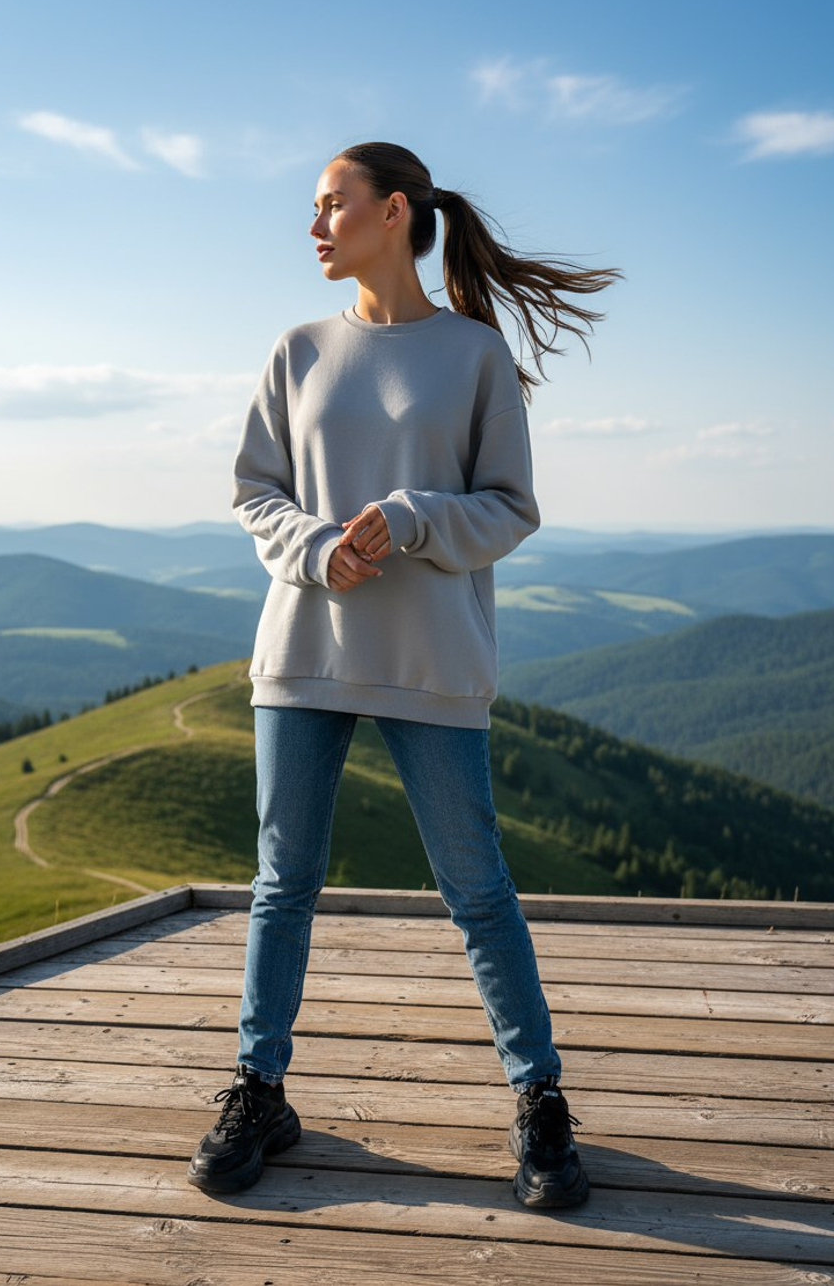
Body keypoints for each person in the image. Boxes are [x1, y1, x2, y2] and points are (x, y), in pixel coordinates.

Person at [187, 141, 620, 1210]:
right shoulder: (296, 349)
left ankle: (540, 1097)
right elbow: (253, 491)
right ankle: (260, 1087)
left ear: (392, 212)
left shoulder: (472, 354)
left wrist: (419, 516)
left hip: (429, 664)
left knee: (477, 890)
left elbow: (511, 507)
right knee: (282, 885)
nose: (314, 225)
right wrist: (315, 548)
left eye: (331, 205)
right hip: (303, 653)